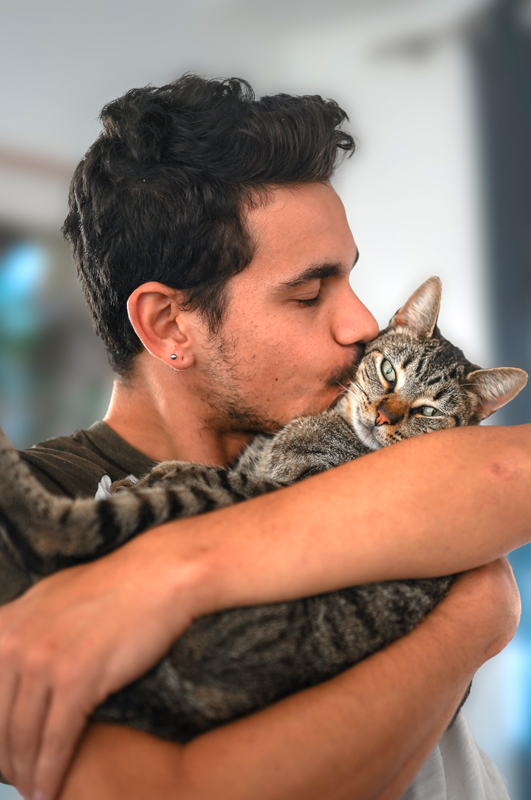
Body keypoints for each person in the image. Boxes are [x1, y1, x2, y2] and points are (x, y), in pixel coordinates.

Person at [0, 74, 527, 800]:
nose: (362, 325)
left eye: (350, 279)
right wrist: (475, 615)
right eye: (309, 293)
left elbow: (510, 470)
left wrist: (171, 569)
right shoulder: (33, 506)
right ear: (168, 325)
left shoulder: (371, 445)